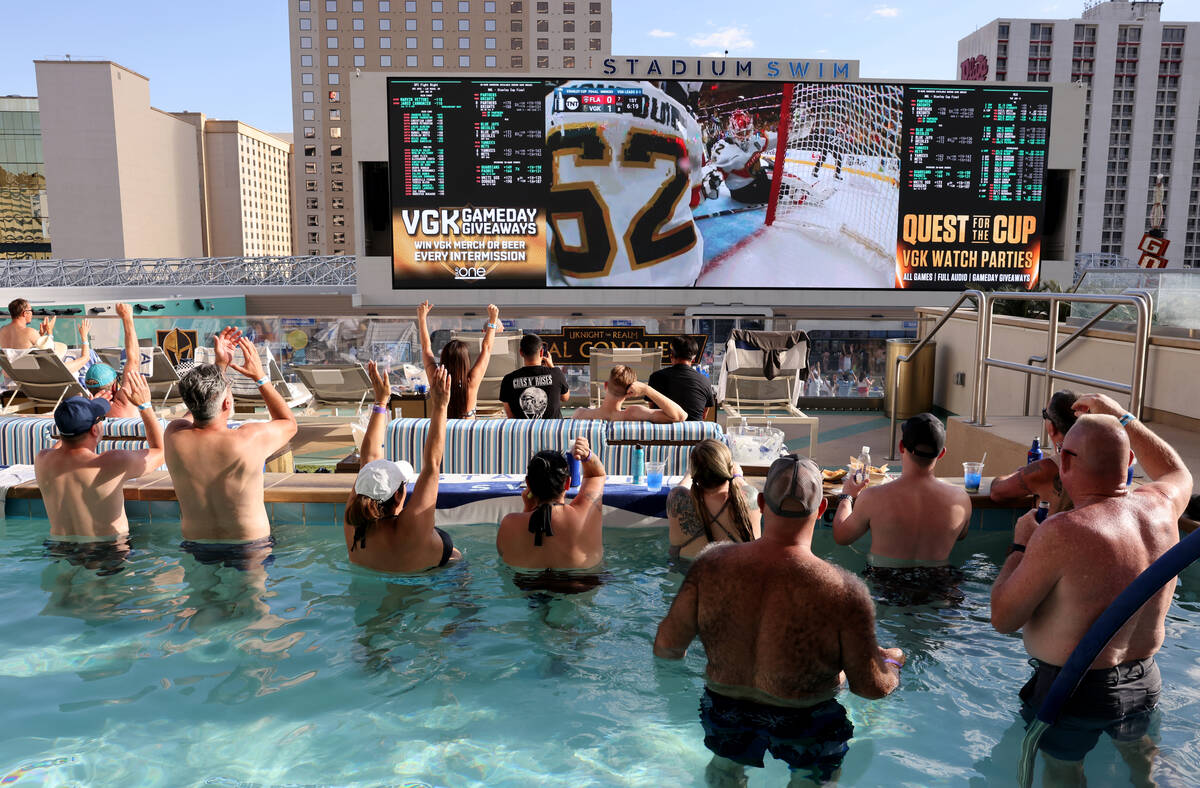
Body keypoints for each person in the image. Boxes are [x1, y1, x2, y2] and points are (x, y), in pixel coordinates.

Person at [654, 454, 906, 786]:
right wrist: (892, 663)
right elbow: (871, 688)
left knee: (725, 766)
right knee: (812, 776)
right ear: (821, 511)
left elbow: (667, 648)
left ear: (760, 501)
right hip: (808, 719)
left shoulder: (710, 565)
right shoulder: (843, 590)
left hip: (725, 710)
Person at [990, 393, 1192, 780]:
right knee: (1142, 768)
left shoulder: (1062, 532)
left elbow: (1002, 618)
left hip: (1073, 692)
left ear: (1064, 460)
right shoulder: (1163, 506)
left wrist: (1019, 546)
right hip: (1145, 681)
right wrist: (1123, 417)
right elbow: (1177, 470)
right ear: (1131, 461)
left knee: (1064, 775)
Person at [164, 328, 297, 552]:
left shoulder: (174, 435)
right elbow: (289, 423)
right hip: (249, 545)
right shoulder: (249, 439)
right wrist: (260, 377)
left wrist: (220, 365)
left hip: (197, 544)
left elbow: (199, 407)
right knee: (251, 590)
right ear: (227, 403)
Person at [832, 413, 972, 605]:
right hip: (940, 585)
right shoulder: (960, 499)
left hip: (884, 584)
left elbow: (841, 536)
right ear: (942, 453)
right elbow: (961, 535)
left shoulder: (873, 497)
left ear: (901, 447)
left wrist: (847, 497)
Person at [344, 360, 460, 572]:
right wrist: (441, 405)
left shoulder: (354, 526)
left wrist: (381, 401)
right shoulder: (413, 527)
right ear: (398, 495)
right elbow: (432, 464)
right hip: (436, 588)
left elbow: (368, 458)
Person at [34, 371, 164, 541]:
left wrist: (82, 412)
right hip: (107, 556)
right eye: (101, 418)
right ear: (94, 430)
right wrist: (145, 406)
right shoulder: (111, 462)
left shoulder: (43, 460)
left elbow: (65, 440)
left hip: (60, 551)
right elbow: (160, 451)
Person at [496, 437, 605, 573]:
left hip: (527, 590)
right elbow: (596, 475)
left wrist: (528, 509)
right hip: (580, 588)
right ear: (567, 483)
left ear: (528, 484)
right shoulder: (586, 515)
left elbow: (507, 554)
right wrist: (586, 455)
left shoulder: (509, 523)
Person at [667, 439, 759, 563]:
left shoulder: (678, 498)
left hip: (689, 572)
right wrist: (737, 476)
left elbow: (681, 488)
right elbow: (745, 489)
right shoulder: (751, 497)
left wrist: (689, 475)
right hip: (737, 573)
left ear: (695, 471)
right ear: (728, 468)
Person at [990, 389, 1079, 515]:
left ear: (1052, 427)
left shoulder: (1046, 469)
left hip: (1055, 533)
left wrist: (1019, 473)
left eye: (1044, 415)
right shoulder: (1101, 459)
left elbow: (997, 492)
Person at [417, 299, 501, 420]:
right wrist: (493, 320)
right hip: (467, 435)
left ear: (443, 359)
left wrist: (422, 318)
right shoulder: (471, 383)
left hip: (442, 432)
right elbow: (486, 349)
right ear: (466, 361)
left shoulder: (436, 381)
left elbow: (426, 348)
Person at [82, 303, 143, 418]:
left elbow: (134, 360)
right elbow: (133, 359)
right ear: (115, 385)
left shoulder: (87, 413)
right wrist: (127, 317)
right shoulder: (124, 402)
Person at [571, 365, 686, 423]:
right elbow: (681, 416)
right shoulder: (634, 414)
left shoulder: (580, 414)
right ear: (630, 393)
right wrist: (647, 389)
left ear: (606, 386)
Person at [499, 333, 570, 419]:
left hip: (523, 431)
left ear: (521, 352)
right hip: (552, 431)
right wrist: (552, 367)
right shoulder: (556, 373)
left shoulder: (508, 380)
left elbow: (511, 417)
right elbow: (565, 398)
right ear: (541, 352)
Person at [647, 335, 716, 421]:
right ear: (693, 359)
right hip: (694, 432)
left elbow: (652, 410)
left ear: (671, 355)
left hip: (665, 431)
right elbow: (703, 415)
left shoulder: (656, 377)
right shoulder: (705, 381)